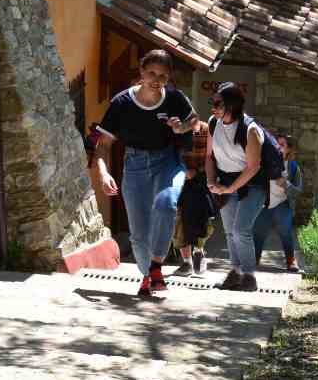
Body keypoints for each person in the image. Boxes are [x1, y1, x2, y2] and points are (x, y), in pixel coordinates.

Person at [95, 49, 196, 296]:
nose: (156, 79)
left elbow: (194, 120)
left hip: (168, 161)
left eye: (162, 75)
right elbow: (103, 146)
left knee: (166, 204)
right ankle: (147, 275)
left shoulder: (174, 98)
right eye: (151, 73)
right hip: (135, 165)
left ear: (168, 78)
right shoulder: (122, 103)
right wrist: (104, 173)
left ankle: (157, 267)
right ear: (141, 71)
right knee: (138, 236)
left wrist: (181, 127)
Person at [205, 82, 266, 291]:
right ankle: (236, 273)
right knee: (230, 231)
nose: (213, 107)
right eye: (212, 102)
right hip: (226, 183)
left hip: (252, 185)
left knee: (241, 230)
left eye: (217, 103)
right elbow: (209, 156)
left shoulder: (250, 130)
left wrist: (230, 189)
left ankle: (249, 277)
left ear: (230, 105)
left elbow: (253, 167)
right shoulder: (214, 123)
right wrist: (211, 181)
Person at [253, 133, 303, 272]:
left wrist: (285, 184)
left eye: (282, 145)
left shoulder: (293, 167)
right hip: (265, 203)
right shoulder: (265, 162)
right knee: (258, 232)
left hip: (283, 204)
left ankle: (291, 261)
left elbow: (298, 191)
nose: (278, 148)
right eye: (276, 144)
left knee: (285, 232)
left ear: (289, 149)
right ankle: (254, 259)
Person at [172, 119, 216, 276]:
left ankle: (199, 252)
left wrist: (197, 172)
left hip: (200, 181)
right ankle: (186, 263)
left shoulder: (205, 130)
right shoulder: (172, 131)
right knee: (178, 219)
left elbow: (212, 156)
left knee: (202, 218)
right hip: (177, 179)